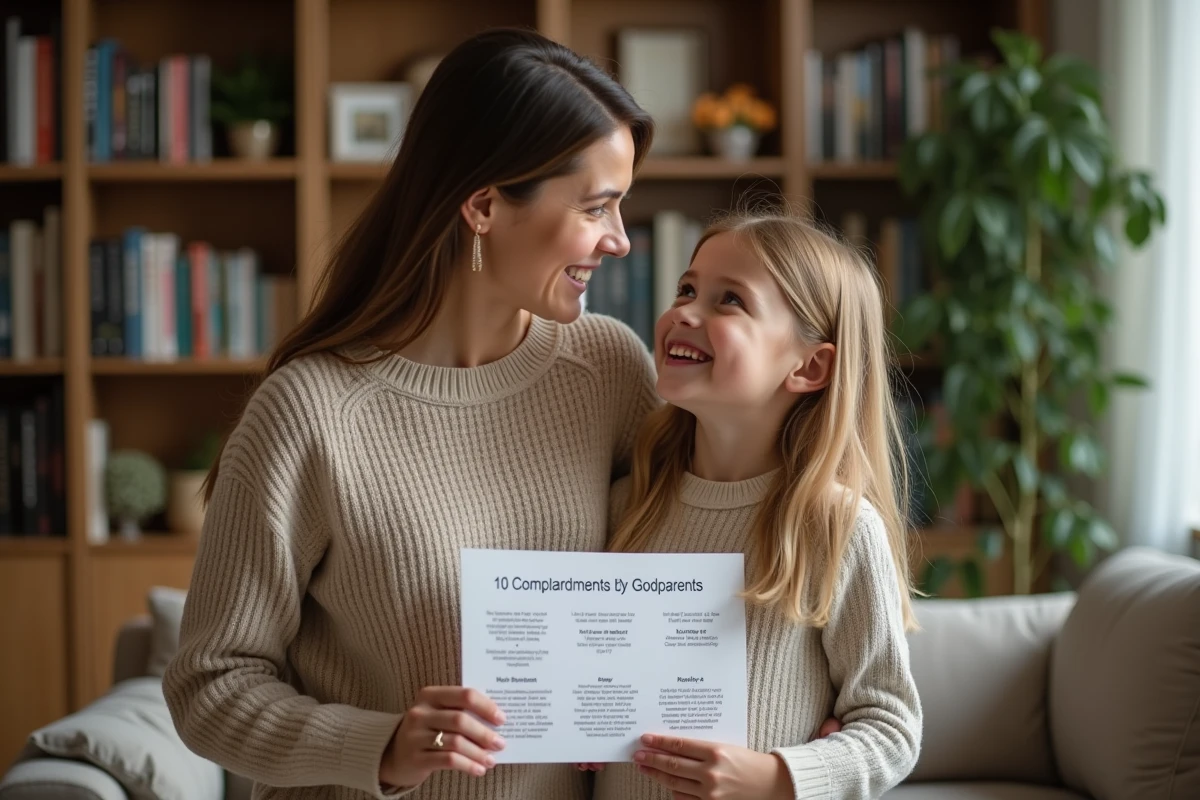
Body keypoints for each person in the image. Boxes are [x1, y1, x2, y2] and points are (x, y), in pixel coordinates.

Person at [162, 28, 659, 800]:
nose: (621, 241)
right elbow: (208, 686)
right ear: (485, 205)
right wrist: (382, 746)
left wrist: (798, 730)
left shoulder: (612, 371)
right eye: (598, 207)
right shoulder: (309, 412)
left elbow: (693, 578)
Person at [594, 210, 923, 799]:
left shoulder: (839, 527)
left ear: (810, 365)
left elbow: (891, 729)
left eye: (730, 301)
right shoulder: (627, 506)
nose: (685, 313)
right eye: (687, 289)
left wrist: (776, 777)